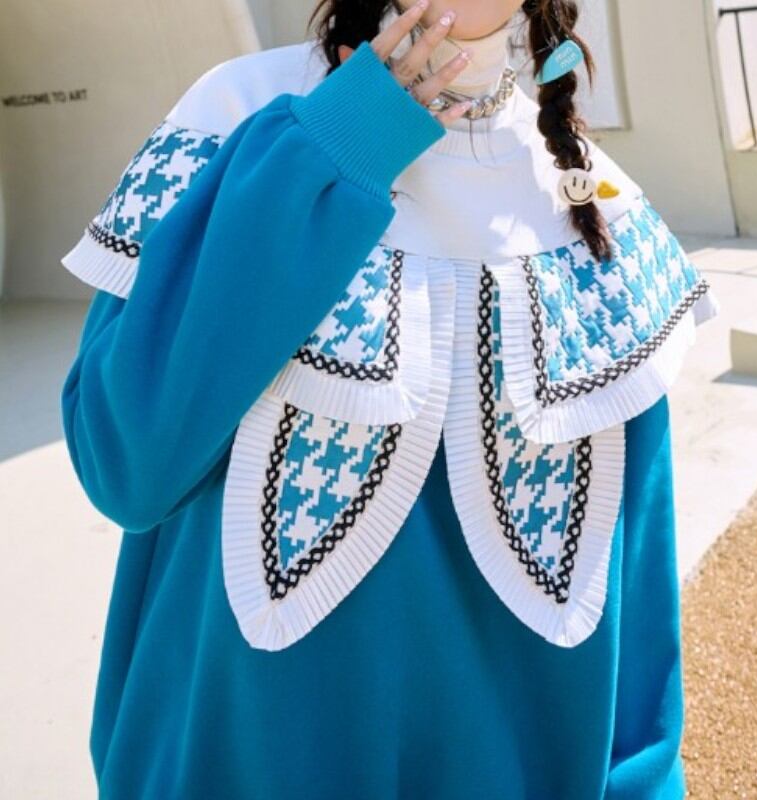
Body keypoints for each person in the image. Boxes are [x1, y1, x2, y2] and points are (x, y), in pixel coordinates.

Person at [59, 1, 719, 797]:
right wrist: (337, 147)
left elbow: (637, 654)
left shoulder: (600, 211)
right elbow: (125, 462)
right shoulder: (237, 110)